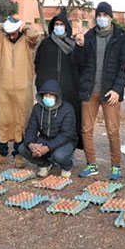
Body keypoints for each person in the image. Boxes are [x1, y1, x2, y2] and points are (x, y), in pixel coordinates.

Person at [74, 1, 125, 180]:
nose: (101, 18)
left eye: (105, 15)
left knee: (113, 130)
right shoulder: (89, 35)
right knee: (86, 129)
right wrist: (80, 45)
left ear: (110, 17)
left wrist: (117, 89)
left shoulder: (121, 37)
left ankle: (116, 166)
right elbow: (79, 63)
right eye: (99, 15)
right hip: (89, 90)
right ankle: (91, 164)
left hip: (110, 92)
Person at [0, 15, 41, 168]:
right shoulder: (1, 40)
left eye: (14, 31)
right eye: (9, 32)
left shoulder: (27, 41)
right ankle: (1, 153)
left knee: (21, 121)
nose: (12, 35)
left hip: (23, 89)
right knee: (4, 120)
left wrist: (24, 26)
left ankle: (19, 155)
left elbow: (35, 35)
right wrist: (3, 24)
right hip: (4, 88)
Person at [33, 8, 83, 151]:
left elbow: (81, 64)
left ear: (66, 27)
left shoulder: (73, 45)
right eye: (56, 24)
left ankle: (66, 151)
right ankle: (48, 152)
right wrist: (41, 83)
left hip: (70, 92)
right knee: (49, 122)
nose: (59, 27)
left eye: (62, 24)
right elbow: (38, 64)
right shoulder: (46, 44)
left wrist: (80, 46)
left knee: (67, 122)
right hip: (49, 92)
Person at [17, 79, 78, 178]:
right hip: (45, 139)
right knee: (22, 148)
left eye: (51, 95)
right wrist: (31, 144)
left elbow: (67, 135)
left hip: (66, 142)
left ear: (57, 96)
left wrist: (47, 148)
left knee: (59, 156)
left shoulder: (67, 109)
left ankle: (67, 166)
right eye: (45, 95)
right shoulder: (37, 108)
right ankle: (45, 164)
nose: (47, 98)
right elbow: (31, 129)